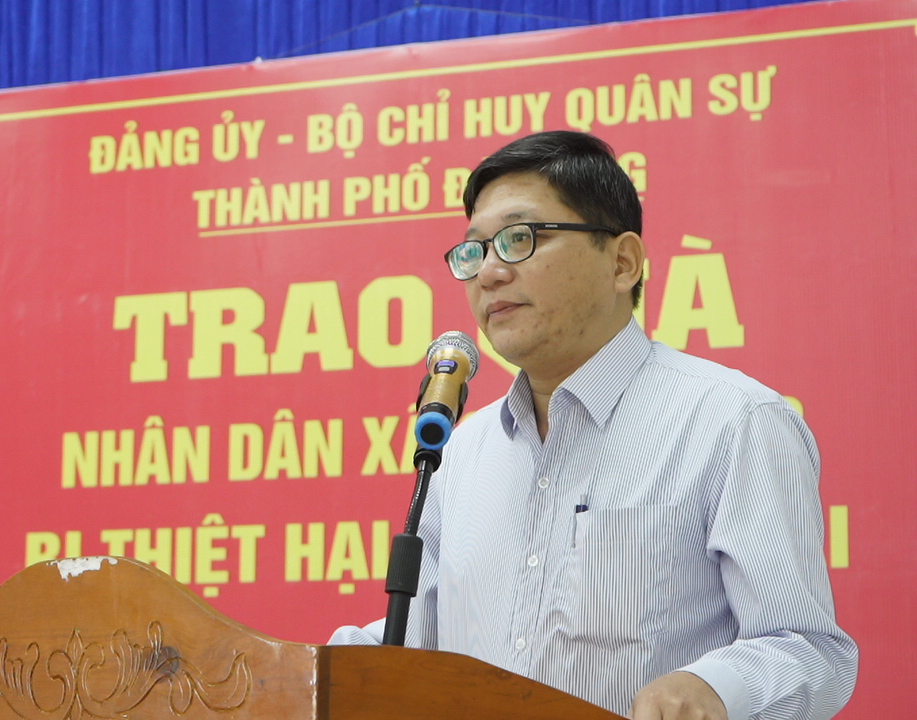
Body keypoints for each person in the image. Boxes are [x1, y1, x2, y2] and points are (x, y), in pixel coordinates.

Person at [330, 131, 857, 720]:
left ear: (622, 262)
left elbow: (810, 650)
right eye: (474, 251)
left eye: (519, 239)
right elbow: (411, 647)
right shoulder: (462, 453)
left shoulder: (732, 421)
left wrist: (713, 687)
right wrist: (304, 671)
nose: (490, 274)